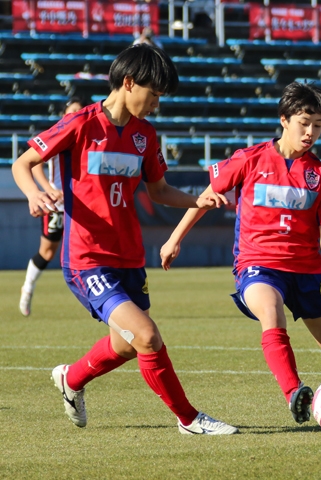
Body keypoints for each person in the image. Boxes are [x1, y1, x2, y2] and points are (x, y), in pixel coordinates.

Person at [11, 43, 238, 435]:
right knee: (147, 336)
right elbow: (23, 163)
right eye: (153, 96)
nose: (156, 105)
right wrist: (35, 194)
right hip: (87, 259)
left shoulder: (145, 135)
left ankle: (72, 379)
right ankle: (189, 419)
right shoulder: (81, 123)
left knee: (126, 344)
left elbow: (159, 190)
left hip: (129, 257)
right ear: (129, 83)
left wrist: (198, 199)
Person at [160, 81, 321, 425]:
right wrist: (175, 238)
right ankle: (294, 392)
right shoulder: (249, 159)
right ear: (284, 120)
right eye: (304, 123)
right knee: (271, 312)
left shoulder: (320, 175)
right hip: (259, 264)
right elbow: (207, 196)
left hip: (309, 272)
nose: (311, 132)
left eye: (318, 126)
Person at [19, 97, 85, 317]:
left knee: (86, 249)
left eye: (80, 110)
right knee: (47, 252)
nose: (75, 114)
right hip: (57, 204)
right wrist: (48, 189)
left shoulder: (91, 137)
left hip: (84, 204)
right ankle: (27, 288)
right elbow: (33, 163)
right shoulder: (60, 133)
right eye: (71, 110)